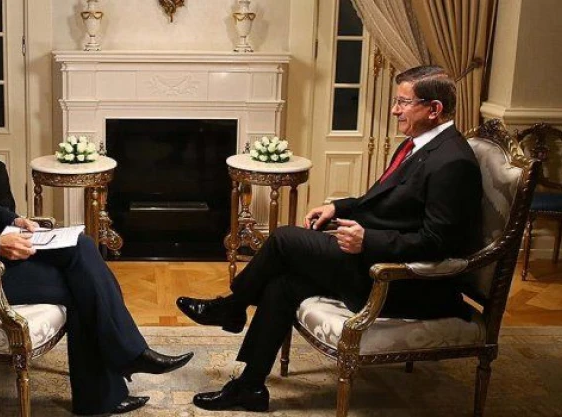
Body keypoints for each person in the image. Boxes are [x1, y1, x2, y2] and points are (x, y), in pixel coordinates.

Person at [0, 57, 193, 416]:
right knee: (82, 287)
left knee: (81, 246)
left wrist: (14, 219)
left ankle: (123, 365)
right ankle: (112, 381)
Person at [176, 65, 483, 412]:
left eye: (403, 102)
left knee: (284, 239)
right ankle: (249, 387)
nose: (394, 110)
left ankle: (232, 308)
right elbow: (383, 204)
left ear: (434, 109)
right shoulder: (419, 146)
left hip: (403, 284)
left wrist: (368, 240)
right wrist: (337, 207)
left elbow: (440, 242)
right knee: (282, 285)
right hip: (373, 264)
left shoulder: (452, 161)